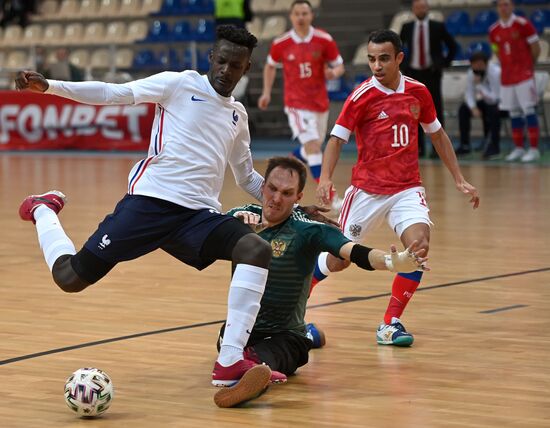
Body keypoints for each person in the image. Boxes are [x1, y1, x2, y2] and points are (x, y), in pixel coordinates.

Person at [15, 25, 281, 409]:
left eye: (235, 65)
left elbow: (247, 177)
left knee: (255, 250)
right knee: (70, 278)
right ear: (211, 58)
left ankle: (229, 362)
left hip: (198, 217)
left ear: (246, 68)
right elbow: (113, 93)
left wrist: (289, 203)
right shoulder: (178, 85)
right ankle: (43, 209)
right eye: (221, 61)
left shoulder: (238, 117)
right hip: (150, 204)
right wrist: (51, 86)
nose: (226, 70)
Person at [313, 29, 480, 347]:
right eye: (372, 59)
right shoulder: (361, 96)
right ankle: (292, 308)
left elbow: (437, 135)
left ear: (399, 58)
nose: (377, 66)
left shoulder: (418, 92)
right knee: (338, 259)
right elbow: (336, 139)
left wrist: (458, 177)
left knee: (418, 248)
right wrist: (325, 179)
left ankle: (390, 324)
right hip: (367, 191)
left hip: (406, 188)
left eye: (384, 59)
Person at [217, 156, 428, 376]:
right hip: (243, 330)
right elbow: (198, 238)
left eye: (287, 193)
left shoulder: (309, 229)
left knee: (268, 355)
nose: (277, 198)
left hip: (288, 336)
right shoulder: (241, 217)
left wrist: (391, 262)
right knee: (229, 340)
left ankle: (249, 368)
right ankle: (252, 362)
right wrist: (231, 230)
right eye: (272, 189)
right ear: (262, 187)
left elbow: (353, 252)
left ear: (298, 197)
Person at [258, 0, 345, 209]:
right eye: (297, 13)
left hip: (319, 102)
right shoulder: (281, 42)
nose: (300, 17)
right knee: (314, 148)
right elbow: (270, 67)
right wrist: (266, 92)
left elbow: (340, 66)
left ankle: (290, 160)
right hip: (296, 104)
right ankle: (330, 198)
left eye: (304, 13)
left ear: (311, 15)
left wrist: (333, 72)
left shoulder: (323, 39)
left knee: (312, 148)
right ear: (291, 16)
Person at [400, 0, 457, 158]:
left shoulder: (437, 26)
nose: (420, 10)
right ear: (413, 9)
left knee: (435, 110)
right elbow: (397, 47)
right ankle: (417, 148)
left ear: (427, 8)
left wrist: (443, 63)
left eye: (423, 7)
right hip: (413, 74)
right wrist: (403, 65)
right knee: (413, 111)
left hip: (431, 73)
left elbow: (452, 46)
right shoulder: (407, 27)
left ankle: (437, 149)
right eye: (417, 7)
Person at [489, 0, 541, 162]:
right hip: (507, 76)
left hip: (524, 75)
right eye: (501, 5)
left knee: (529, 110)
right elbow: (496, 50)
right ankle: (518, 148)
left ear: (512, 6)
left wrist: (528, 66)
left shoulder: (523, 24)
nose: (504, 8)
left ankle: (534, 149)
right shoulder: (493, 30)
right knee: (513, 112)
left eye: (507, 4)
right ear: (497, 8)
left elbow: (536, 47)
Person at [455, 50, 501, 160]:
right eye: (474, 65)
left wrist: (479, 85)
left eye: (480, 65)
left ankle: (494, 146)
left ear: (486, 63)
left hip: (501, 103)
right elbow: (469, 93)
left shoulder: (496, 72)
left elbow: (495, 98)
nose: (477, 68)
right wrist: (473, 107)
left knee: (492, 110)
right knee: (464, 109)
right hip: (486, 101)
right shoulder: (472, 72)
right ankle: (465, 145)